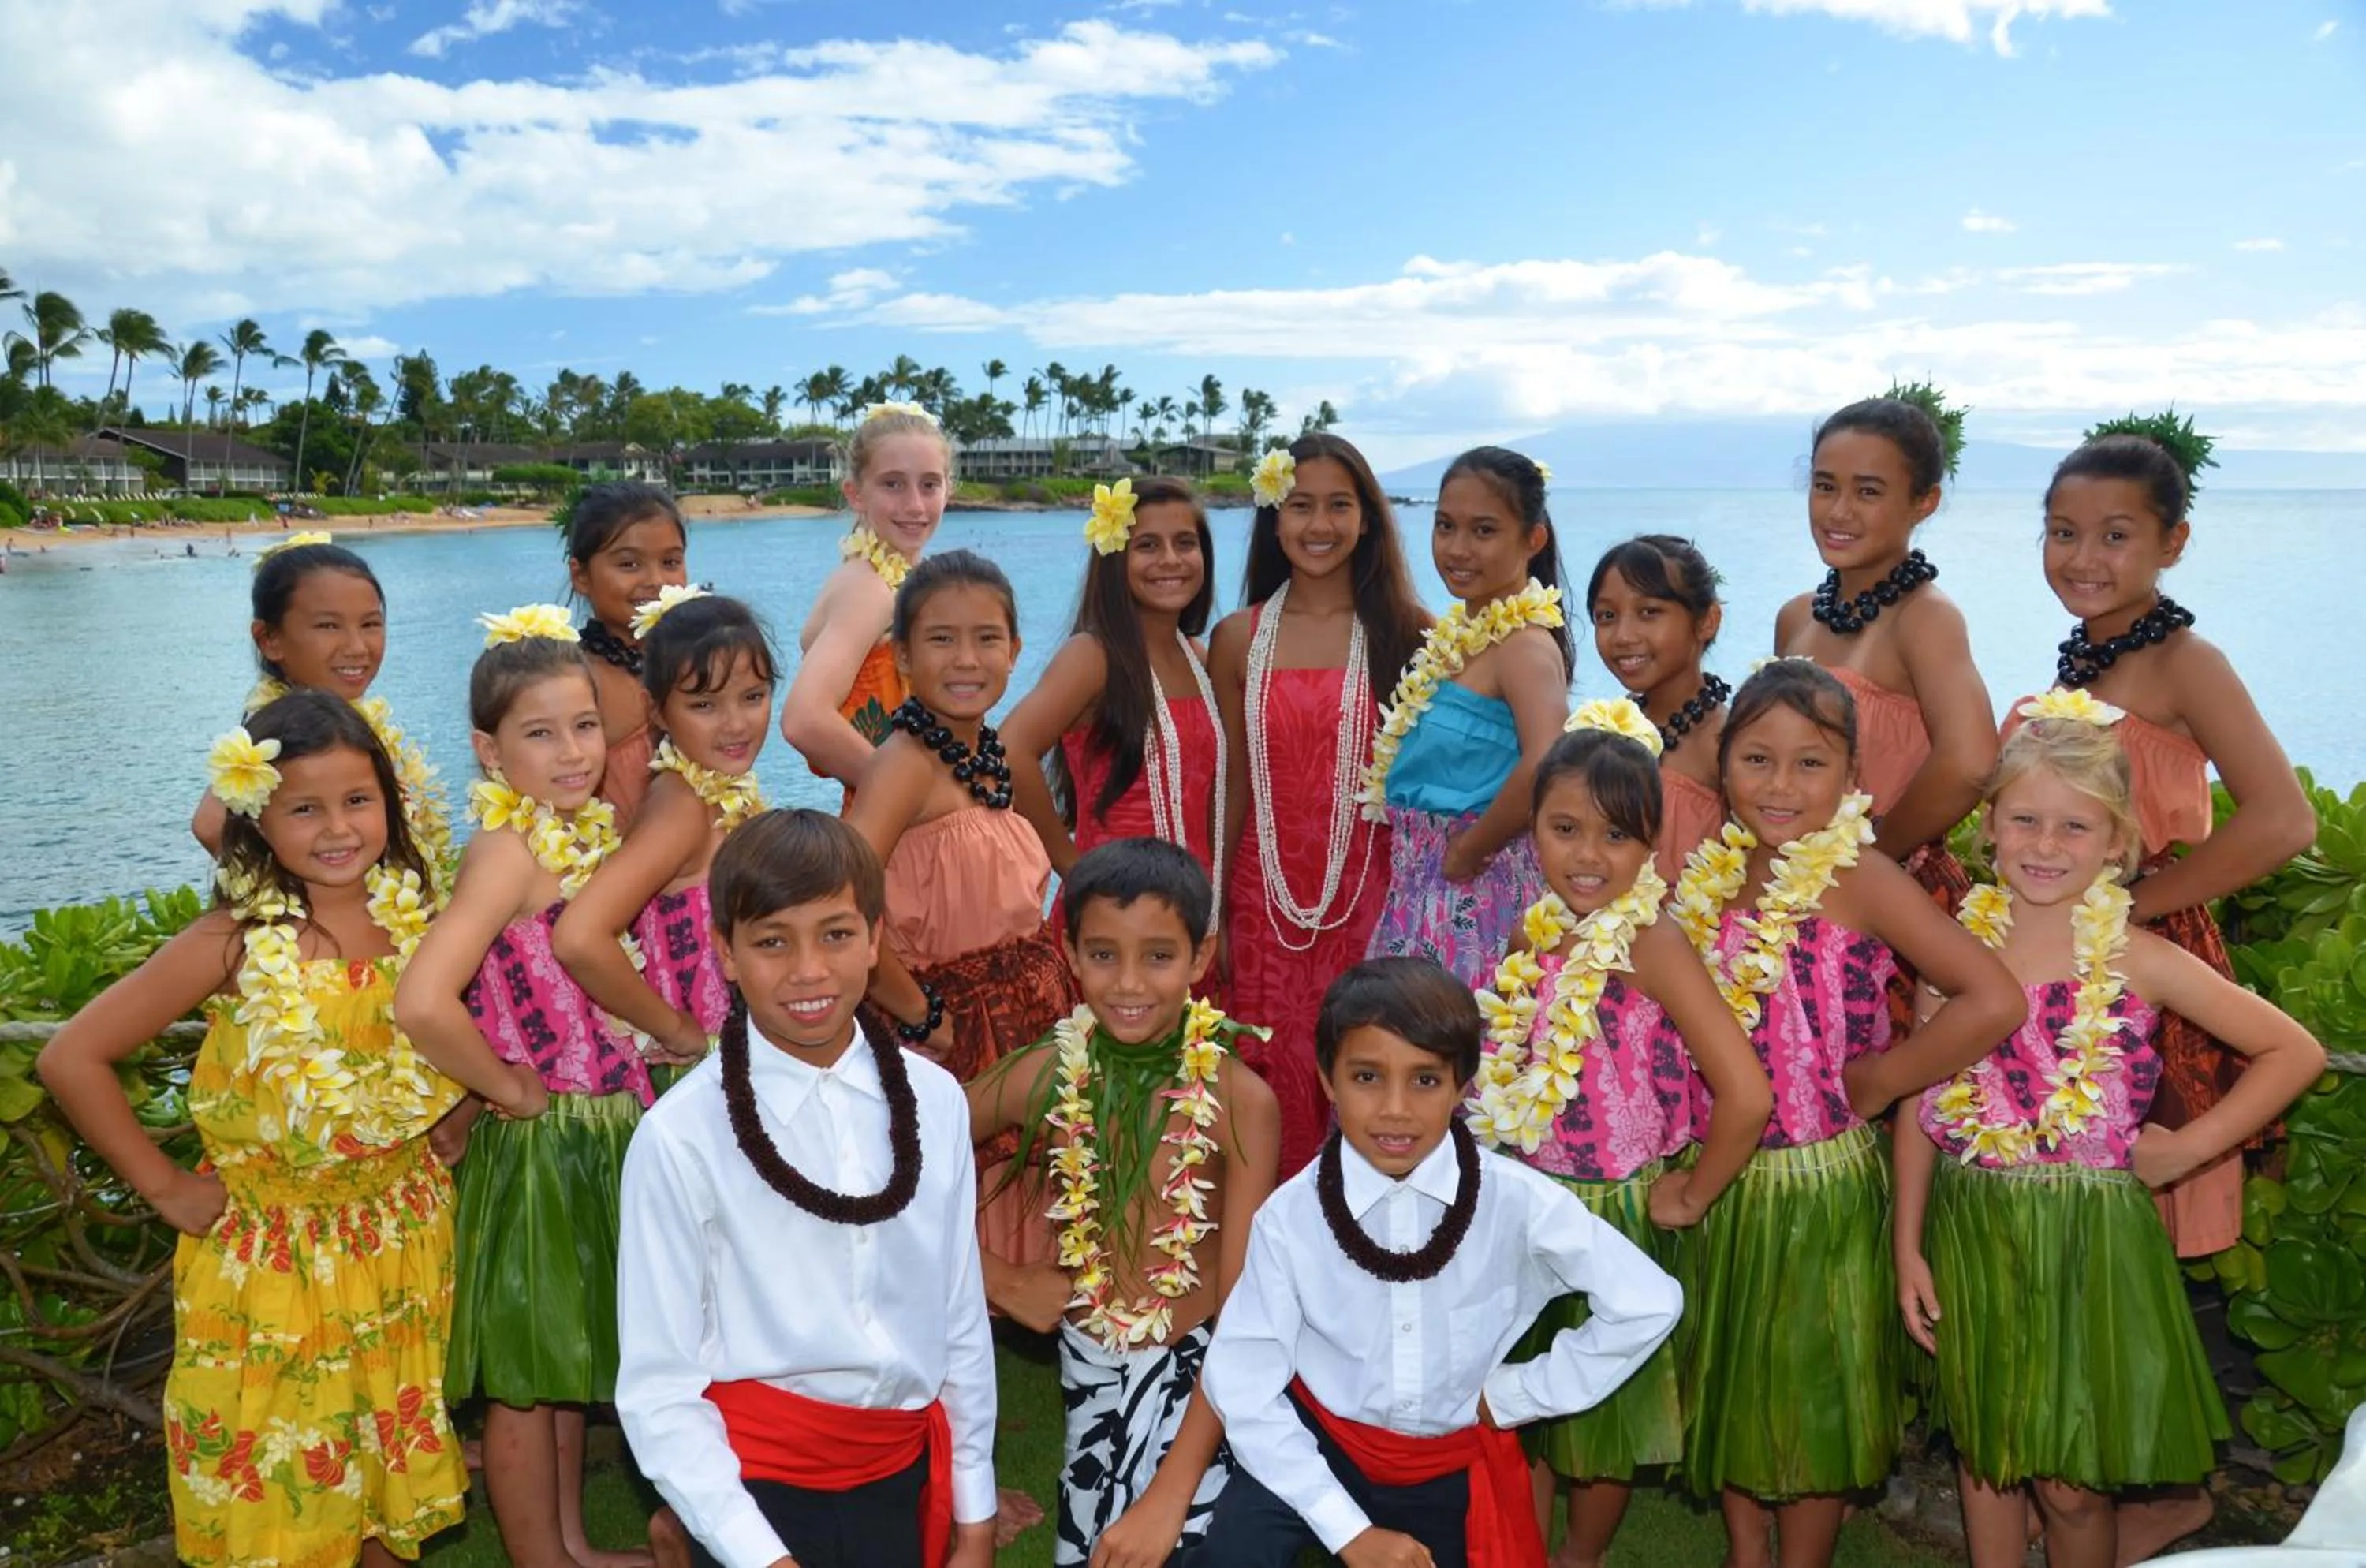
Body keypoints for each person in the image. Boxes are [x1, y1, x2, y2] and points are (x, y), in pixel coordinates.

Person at [39, 690, 466, 1567]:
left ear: (389, 800)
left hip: (399, 1237)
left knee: (386, 1463)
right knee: (286, 1477)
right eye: (302, 807)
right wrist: (164, 1184)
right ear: (255, 822)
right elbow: (72, 1056)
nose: (337, 826)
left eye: (357, 799)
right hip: (276, 1259)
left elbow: (440, 1030)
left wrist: (451, 1107)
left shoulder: (418, 922)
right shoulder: (232, 942)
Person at [1898, 697, 2323, 1568]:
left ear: (2118, 843)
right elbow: (1916, 1094)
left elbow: (2293, 1049)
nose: (2046, 844)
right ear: (1990, 826)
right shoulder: (1954, 948)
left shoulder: (2141, 957)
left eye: (2075, 826)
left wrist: (2186, 1147)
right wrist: (1907, 1242)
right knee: (1989, 1449)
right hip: (1974, 1226)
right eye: (2025, 819)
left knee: (2073, 1478)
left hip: (2091, 1243)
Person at [1671, 660, 2025, 1568]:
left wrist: (1883, 1079)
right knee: (1733, 1365)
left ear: (1852, 779)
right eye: (1756, 759)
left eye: (1810, 763)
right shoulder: (1710, 878)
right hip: (1726, 1175)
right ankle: (1746, 1548)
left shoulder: (1860, 875)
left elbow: (1991, 996)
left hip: (1820, 1183)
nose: (1781, 785)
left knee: (1813, 1382)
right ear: (1724, 773)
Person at [1199, 957, 1684, 1568]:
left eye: (1425, 1081)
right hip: (1320, 1446)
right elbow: (1240, 1380)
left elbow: (1649, 1301)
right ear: (1327, 1080)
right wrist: (1349, 1532)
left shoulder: (1516, 1201)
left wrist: (1520, 1394)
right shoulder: (1291, 1217)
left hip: (1446, 1464)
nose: (1395, 1109)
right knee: (1232, 1556)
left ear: (1461, 1085)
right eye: (1367, 1077)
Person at [614, 809, 998, 1568]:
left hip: (898, 1472)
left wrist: (975, 1507)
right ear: (725, 951)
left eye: (836, 934)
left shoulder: (934, 1102)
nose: (809, 972)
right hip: (755, 1489)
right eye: (771, 942)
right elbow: (660, 1386)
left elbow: (957, 1312)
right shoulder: (682, 1137)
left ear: (876, 938)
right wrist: (759, 1555)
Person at [1467, 700, 1771, 1568]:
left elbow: (1745, 1091)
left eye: (1616, 835)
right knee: (1524, 1393)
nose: (1589, 855)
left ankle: (1580, 1555)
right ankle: (1523, 1548)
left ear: (1650, 846)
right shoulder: (1543, 927)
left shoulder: (1652, 940)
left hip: (1615, 1209)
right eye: (1565, 828)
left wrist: (1692, 1190)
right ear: (1532, 830)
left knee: (1601, 1408)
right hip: (1531, 1197)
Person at [2011, 414, 2316, 1261]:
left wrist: (2134, 906)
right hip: (2067, 948)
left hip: (2141, 950)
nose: (2082, 557)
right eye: (2064, 533)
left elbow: (2286, 817)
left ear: (2172, 542)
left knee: (2128, 1204)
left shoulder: (2187, 661)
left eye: (2116, 535)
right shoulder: (2083, 660)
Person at [391, 608, 655, 1568]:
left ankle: (573, 1545)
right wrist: (509, 1085)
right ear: (488, 749)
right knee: (522, 1372)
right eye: (540, 733)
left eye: (585, 724)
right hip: (545, 1140)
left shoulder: (581, 830)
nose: (572, 749)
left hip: (600, 1128)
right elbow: (424, 1000)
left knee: (558, 1363)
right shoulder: (506, 851)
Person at [968, 838, 1279, 1566]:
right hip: (1090, 1371)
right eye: (1104, 955)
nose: (1129, 982)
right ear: (1070, 954)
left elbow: (1243, 1317)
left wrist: (1171, 1496)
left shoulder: (1240, 1100)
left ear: (1202, 958)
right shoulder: (1046, 1073)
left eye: (1158, 956)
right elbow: (904, 1161)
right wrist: (1000, 1277)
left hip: (1204, 1386)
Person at [1208, 434, 1428, 1178]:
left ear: (1367, 518)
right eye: (1300, 506)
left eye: (1339, 505)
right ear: (1275, 520)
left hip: (1372, 894)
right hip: (1262, 902)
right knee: (1268, 1087)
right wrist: (1216, 910)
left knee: (1372, 1069)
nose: (1319, 524)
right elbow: (1234, 781)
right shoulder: (1237, 639)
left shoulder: (1412, 632)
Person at [1774, 391, 1996, 1031]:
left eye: (1868, 492)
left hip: (1893, 904)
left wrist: (1873, 856)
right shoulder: (1796, 617)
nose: (1838, 512)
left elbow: (1972, 760)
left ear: (1922, 502)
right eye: (1824, 487)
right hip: (1797, 895)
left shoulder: (1926, 618)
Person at [1360, 447, 1571, 987]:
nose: (1457, 549)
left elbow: (1549, 760)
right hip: (1422, 887)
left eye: (1483, 531)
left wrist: (1469, 851)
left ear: (1533, 540)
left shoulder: (1523, 646)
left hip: (1479, 893)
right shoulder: (1461, 641)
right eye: (1445, 526)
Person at [556, 590, 774, 1091]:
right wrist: (676, 1030)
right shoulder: (683, 806)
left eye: (754, 697)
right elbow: (579, 937)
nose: (737, 723)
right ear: (656, 711)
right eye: (704, 704)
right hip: (704, 1074)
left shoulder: (717, 789)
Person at [1002, 479, 1225, 905]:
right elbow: (1010, 751)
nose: (1170, 560)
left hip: (1194, 913)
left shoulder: (1201, 659)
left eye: (1185, 543)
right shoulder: (1093, 656)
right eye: (1147, 546)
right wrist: (1073, 868)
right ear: (1115, 557)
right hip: (1113, 915)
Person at [192, 534, 453, 887]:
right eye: (328, 626)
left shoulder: (343, 717)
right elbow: (209, 825)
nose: (357, 647)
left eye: (370, 624)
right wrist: (294, 899)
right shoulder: (284, 725)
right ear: (270, 640)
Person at [782, 403, 953, 790]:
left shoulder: (898, 581)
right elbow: (803, 719)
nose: (914, 505)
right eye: (893, 484)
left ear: (948, 489)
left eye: (929, 484)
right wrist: (908, 798)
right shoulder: (868, 588)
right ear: (856, 494)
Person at [1584, 536, 1730, 882]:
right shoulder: (1602, 732)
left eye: (1649, 612)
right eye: (1607, 616)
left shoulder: (1728, 744)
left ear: (1706, 621)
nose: (1623, 635)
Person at [561, 481, 690, 826]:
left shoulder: (697, 666)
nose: (656, 580)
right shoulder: (572, 681)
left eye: (671, 561)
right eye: (629, 564)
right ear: (581, 575)